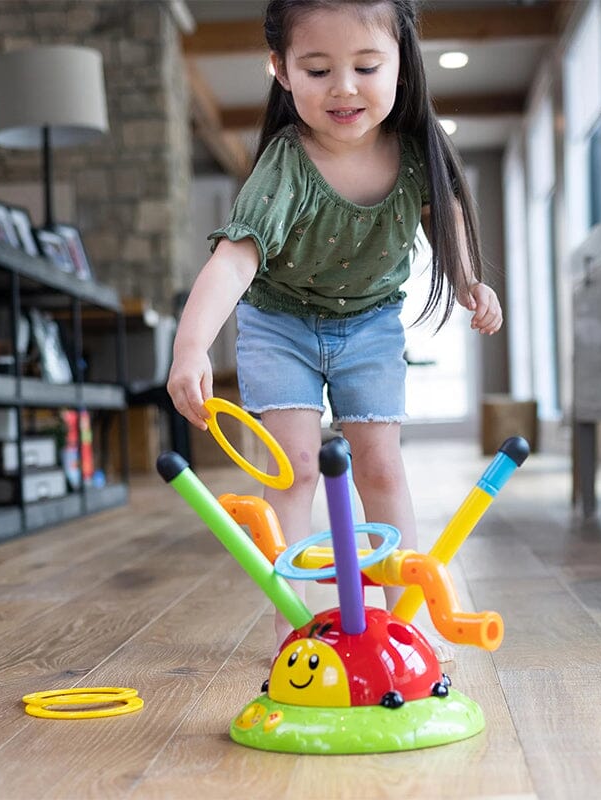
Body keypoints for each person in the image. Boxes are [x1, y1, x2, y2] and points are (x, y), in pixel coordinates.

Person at [167, 0, 503, 661]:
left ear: (401, 64)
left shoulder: (413, 156)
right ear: (281, 71)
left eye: (366, 65)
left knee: (380, 465)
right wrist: (189, 346)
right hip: (279, 323)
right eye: (317, 69)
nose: (344, 88)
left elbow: (448, 218)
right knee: (291, 470)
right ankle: (287, 619)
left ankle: (402, 620)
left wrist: (468, 280)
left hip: (370, 325)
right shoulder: (287, 162)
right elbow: (235, 258)